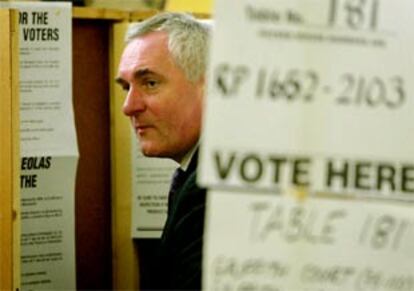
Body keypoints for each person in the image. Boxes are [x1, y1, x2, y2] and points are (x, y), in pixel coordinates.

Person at [116, 12, 210, 290]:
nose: (128, 106)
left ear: (208, 86)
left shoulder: (209, 187)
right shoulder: (196, 172)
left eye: (150, 83)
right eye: (126, 87)